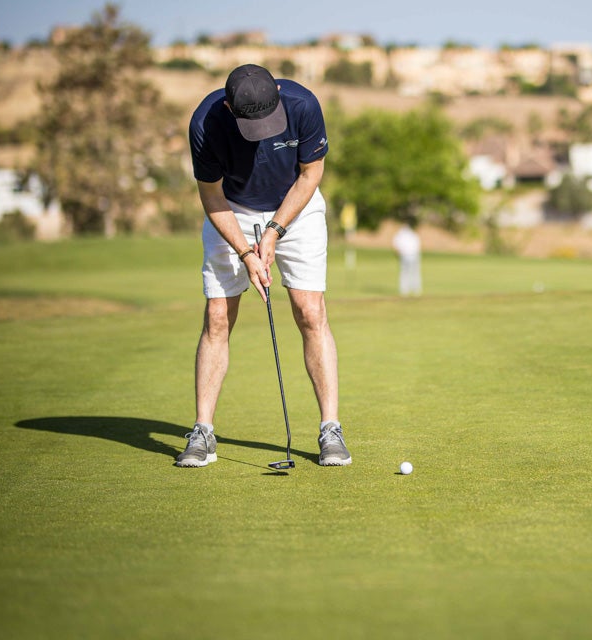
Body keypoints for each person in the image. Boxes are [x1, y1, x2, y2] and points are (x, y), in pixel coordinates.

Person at [176, 64, 350, 468]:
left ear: (277, 91)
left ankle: (330, 428)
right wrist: (246, 252)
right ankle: (203, 430)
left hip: (296, 208)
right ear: (228, 107)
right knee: (218, 315)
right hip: (231, 209)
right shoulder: (206, 122)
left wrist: (272, 233)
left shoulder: (303, 104)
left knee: (311, 311)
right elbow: (212, 197)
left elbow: (311, 175)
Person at [392, 219, 422, 297]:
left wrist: (398, 254)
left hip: (408, 255)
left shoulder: (401, 234)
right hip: (412, 255)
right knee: (412, 273)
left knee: (407, 273)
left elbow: (396, 246)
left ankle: (407, 290)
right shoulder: (411, 234)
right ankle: (412, 290)